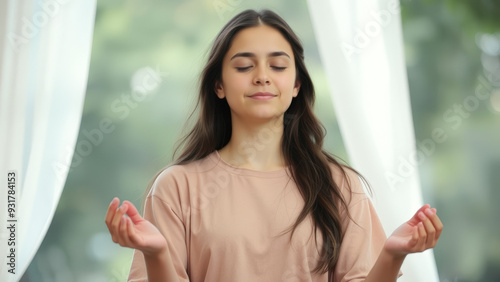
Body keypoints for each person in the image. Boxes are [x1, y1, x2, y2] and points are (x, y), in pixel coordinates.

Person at [105, 9, 443, 282]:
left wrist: (392, 254)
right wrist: (157, 253)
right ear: (219, 85)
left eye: (278, 65)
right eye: (244, 66)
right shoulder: (177, 187)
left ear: (296, 85)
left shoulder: (340, 185)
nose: (262, 76)